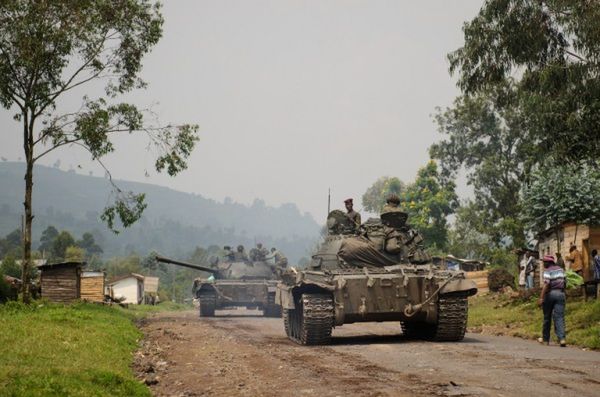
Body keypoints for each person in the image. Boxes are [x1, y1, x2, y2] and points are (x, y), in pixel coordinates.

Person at [537, 255, 566, 347]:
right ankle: (562, 339)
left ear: (549, 263)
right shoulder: (561, 270)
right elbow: (565, 282)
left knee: (547, 317)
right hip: (561, 294)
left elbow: (546, 284)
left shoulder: (548, 271)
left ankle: (545, 340)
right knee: (559, 317)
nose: (543, 263)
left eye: (544, 262)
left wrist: (541, 298)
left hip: (551, 294)